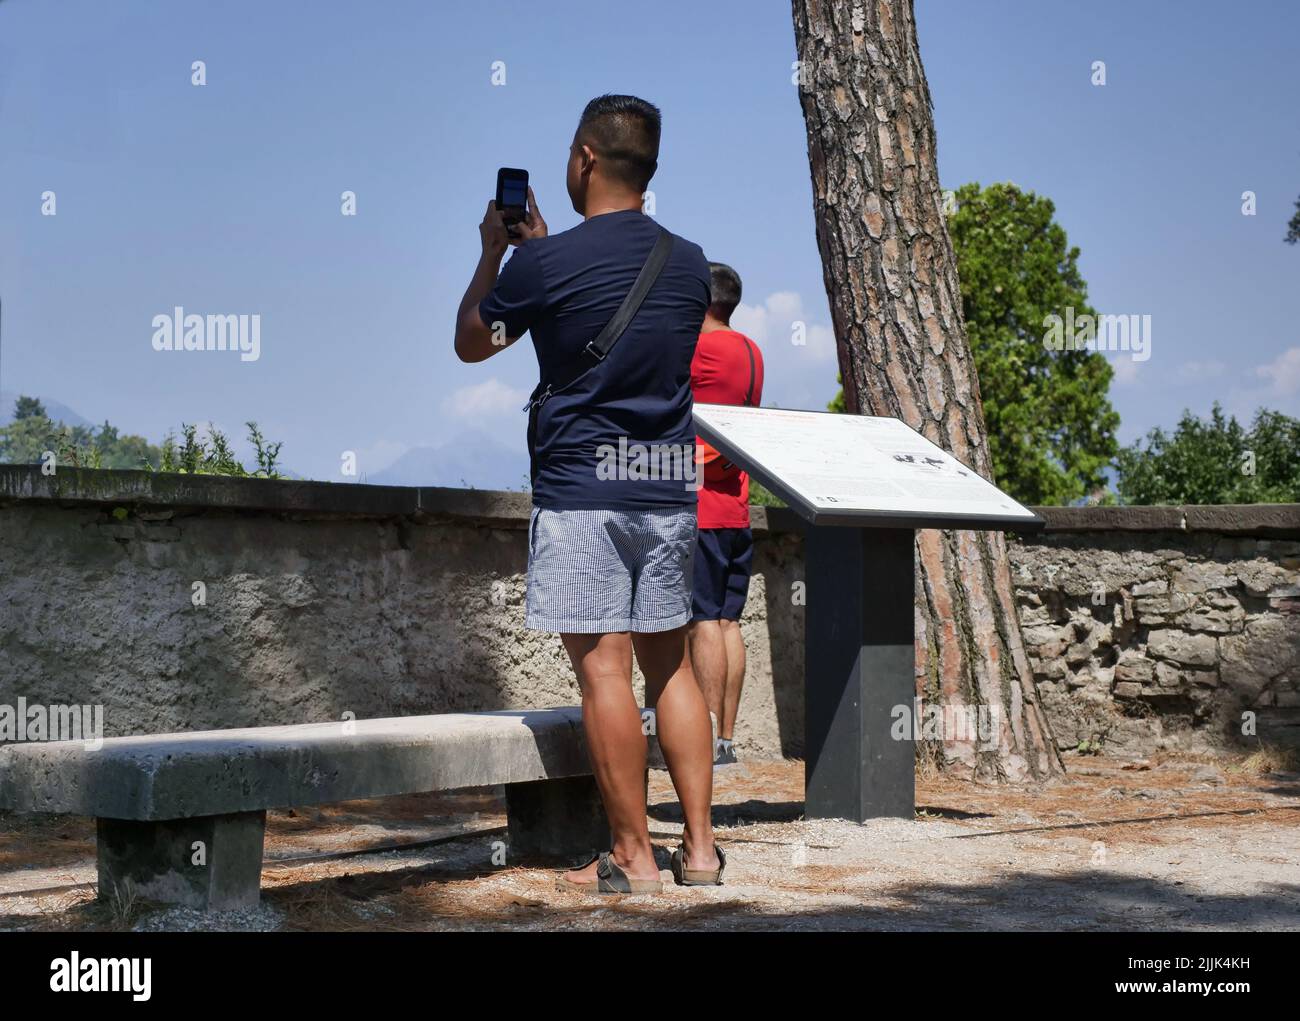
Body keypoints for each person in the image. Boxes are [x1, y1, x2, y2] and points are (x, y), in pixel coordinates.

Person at [453, 94, 724, 893]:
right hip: (668, 484)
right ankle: (701, 852)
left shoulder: (542, 264)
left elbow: (473, 341)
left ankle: (634, 856)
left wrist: (493, 255)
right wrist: (545, 254)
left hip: (584, 485)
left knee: (605, 674)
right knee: (669, 668)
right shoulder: (688, 262)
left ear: (583, 160)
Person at [687, 262, 764, 766]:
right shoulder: (751, 350)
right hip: (738, 508)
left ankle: (707, 740)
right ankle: (727, 739)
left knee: (702, 623)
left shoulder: (702, 349)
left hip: (702, 506)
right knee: (729, 622)